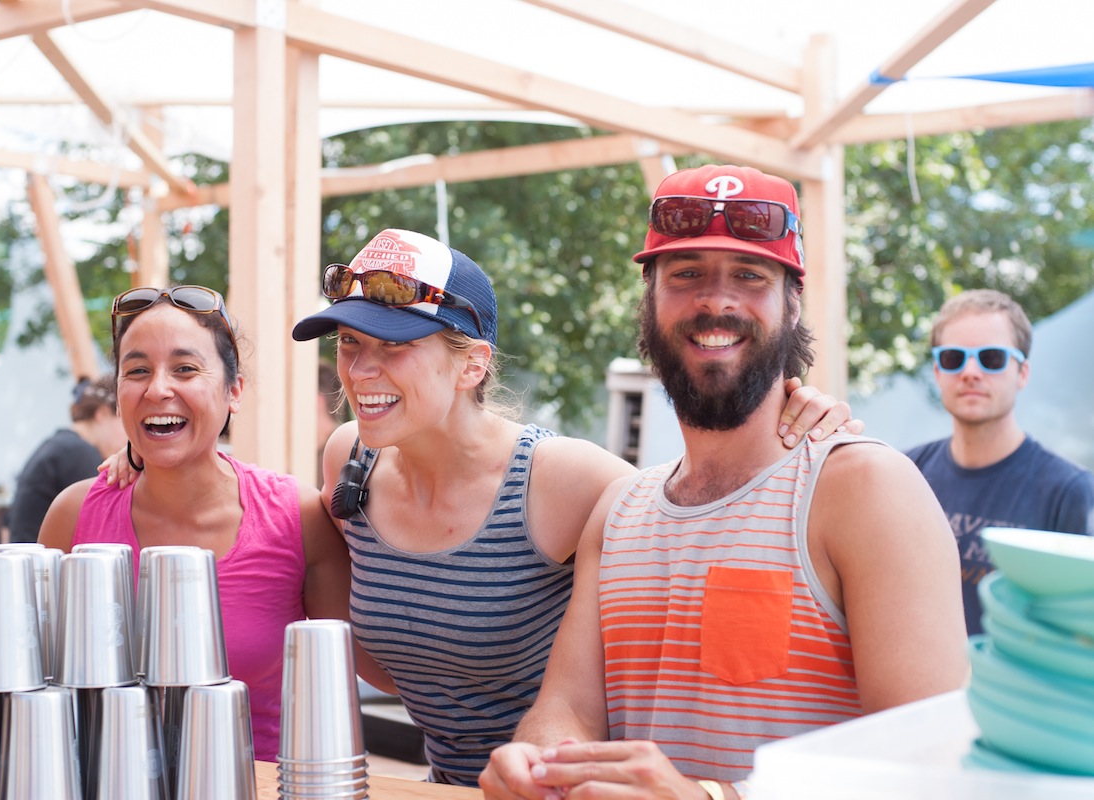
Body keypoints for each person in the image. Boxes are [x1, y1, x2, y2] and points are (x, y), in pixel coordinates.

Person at [290, 227, 862, 786]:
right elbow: (391, 661)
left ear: (472, 364)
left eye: (394, 345)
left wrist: (791, 414)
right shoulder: (350, 459)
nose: (359, 370)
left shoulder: (563, 480)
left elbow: (702, 527)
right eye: (349, 342)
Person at [479, 165, 968, 800]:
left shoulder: (864, 488)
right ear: (649, 301)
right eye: (686, 274)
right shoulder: (618, 509)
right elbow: (567, 706)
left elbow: (932, 766)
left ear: (792, 304)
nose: (717, 301)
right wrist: (540, 761)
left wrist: (713, 797)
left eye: (749, 276)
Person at [38, 285, 351, 762]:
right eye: (137, 371)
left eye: (185, 369)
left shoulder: (298, 516)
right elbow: (35, 690)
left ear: (234, 391)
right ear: (118, 395)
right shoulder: (73, 515)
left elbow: (347, 687)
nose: (157, 389)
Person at [905, 289, 1094, 635]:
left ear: (1022, 373)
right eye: (953, 358)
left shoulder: (1069, 491)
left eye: (991, 358)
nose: (970, 372)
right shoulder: (905, 474)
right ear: (937, 372)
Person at [6, 374, 127, 543]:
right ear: (103, 414)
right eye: (124, 422)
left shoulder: (62, 445)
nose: (127, 439)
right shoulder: (79, 453)